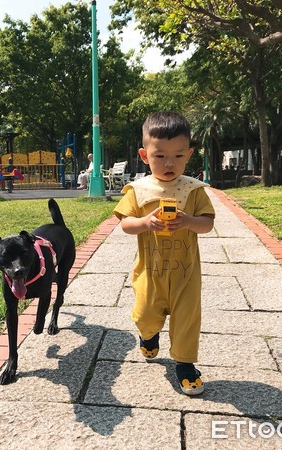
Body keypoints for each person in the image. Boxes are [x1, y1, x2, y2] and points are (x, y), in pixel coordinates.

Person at [113, 111, 215, 395]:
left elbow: (207, 223)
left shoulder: (194, 190)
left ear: (189, 154)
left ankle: (185, 364)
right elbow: (125, 224)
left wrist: (190, 221)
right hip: (150, 271)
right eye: (160, 156)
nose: (170, 163)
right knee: (146, 314)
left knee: (187, 320)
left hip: (186, 273)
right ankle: (149, 335)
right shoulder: (138, 189)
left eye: (178, 156)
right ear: (145, 155)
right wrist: (145, 222)